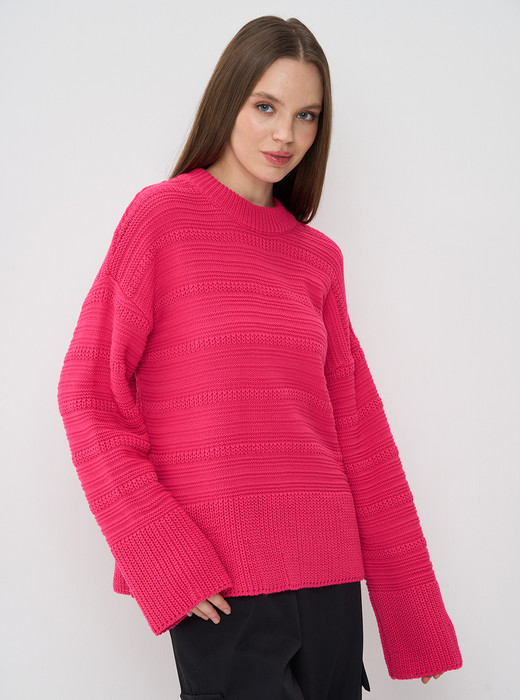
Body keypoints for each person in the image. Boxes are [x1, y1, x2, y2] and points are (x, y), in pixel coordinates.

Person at [56, 15, 463, 699]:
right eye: (266, 107)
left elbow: (360, 436)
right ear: (228, 101)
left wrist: (412, 614)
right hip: (221, 581)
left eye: (306, 116)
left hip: (331, 577)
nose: (286, 136)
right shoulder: (160, 221)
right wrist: (164, 556)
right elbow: (89, 397)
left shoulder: (318, 259)